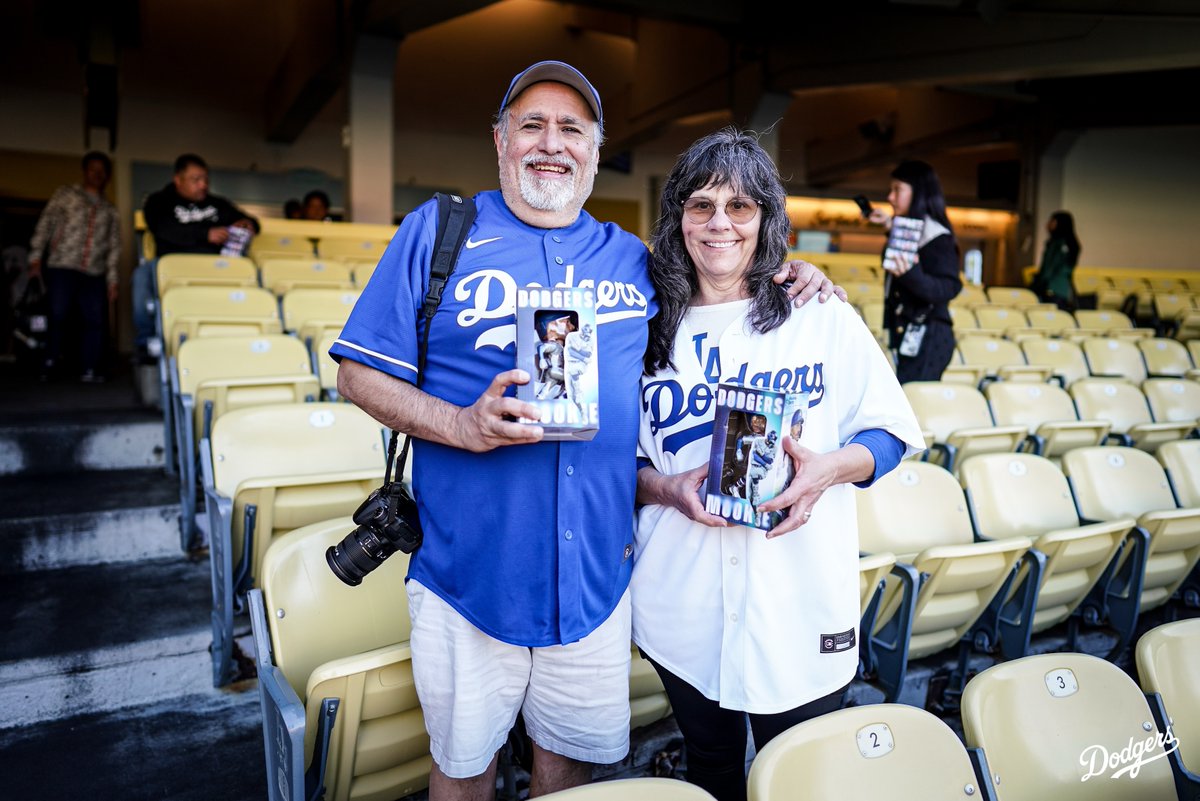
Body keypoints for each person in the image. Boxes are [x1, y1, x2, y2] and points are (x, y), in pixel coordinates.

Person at [331, 62, 840, 801]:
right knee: (463, 772)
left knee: (572, 780)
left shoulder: (637, 262)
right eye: (531, 124)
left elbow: (725, 274)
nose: (551, 143)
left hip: (598, 587)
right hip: (469, 579)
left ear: (595, 151)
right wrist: (462, 424)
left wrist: (795, 274)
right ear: (500, 139)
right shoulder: (438, 232)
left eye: (572, 128)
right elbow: (357, 375)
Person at [632, 128, 925, 801]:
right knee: (709, 767)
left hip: (799, 601)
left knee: (800, 779)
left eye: (740, 206)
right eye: (700, 204)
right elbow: (615, 466)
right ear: (676, 215)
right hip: (682, 602)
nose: (719, 223)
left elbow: (890, 433)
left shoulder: (817, 313)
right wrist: (666, 488)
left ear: (767, 219)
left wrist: (826, 469)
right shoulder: (644, 325)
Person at [134, 154, 260, 355]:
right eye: (196, 180)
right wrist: (205, 234)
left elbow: (250, 221)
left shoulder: (217, 204)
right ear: (178, 179)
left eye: (206, 180)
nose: (203, 185)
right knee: (141, 275)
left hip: (213, 267)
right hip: (172, 264)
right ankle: (147, 343)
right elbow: (163, 229)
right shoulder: (158, 201)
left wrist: (248, 224)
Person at [27, 151, 121, 382]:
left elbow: (114, 246)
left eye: (102, 171)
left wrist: (113, 280)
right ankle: (49, 363)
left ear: (107, 175)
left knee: (94, 320)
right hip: (62, 265)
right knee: (58, 314)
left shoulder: (110, 211)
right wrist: (35, 258)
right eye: (92, 169)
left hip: (94, 271)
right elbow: (45, 224)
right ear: (85, 171)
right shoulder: (65, 194)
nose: (97, 174)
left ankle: (88, 368)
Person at [867, 160, 962, 383]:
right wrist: (890, 226)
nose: (890, 197)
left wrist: (912, 274)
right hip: (906, 334)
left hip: (928, 337)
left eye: (897, 189)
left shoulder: (937, 236)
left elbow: (949, 287)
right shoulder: (908, 228)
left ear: (918, 192)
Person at [1030, 210, 1080, 311]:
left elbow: (1054, 268)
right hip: (1049, 288)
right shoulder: (1053, 242)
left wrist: (1043, 283)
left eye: (1052, 221)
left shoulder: (1064, 244)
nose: (1048, 224)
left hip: (1055, 289)